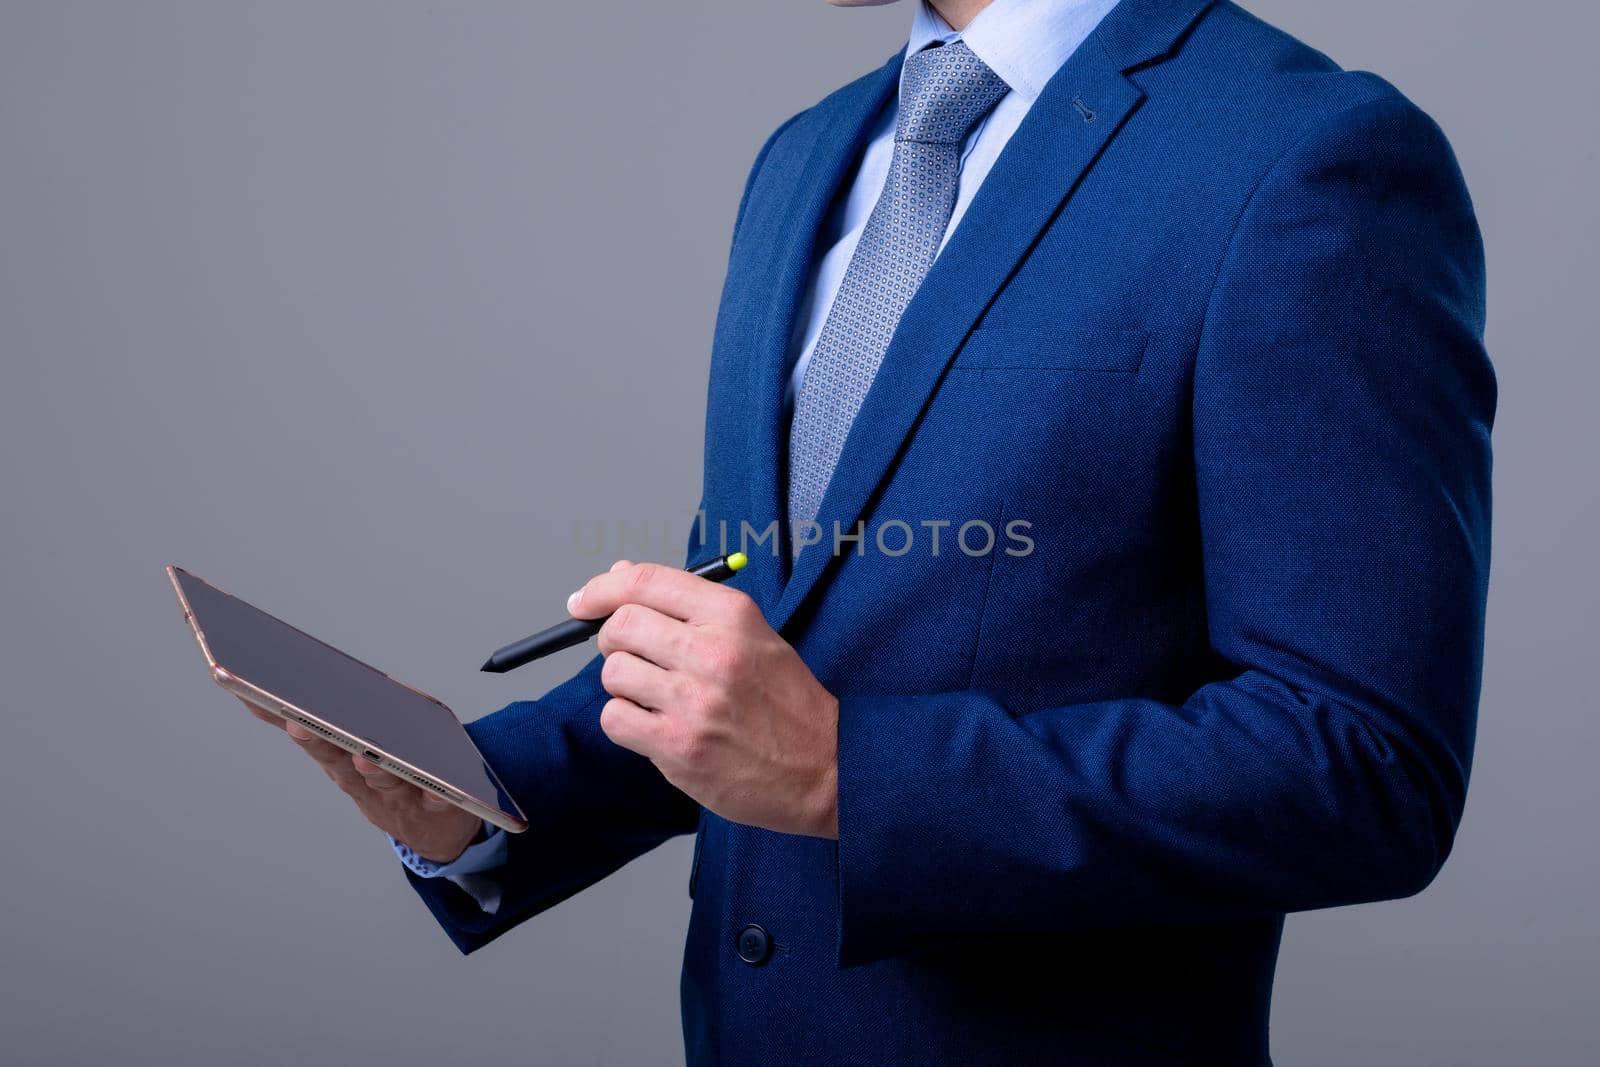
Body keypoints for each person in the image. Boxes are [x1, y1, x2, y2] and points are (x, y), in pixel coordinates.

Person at [244, 0, 1496, 1061]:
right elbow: (772, 625)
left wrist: (856, 772)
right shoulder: (804, 156)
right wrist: (482, 800)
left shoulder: (1303, 156)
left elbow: (1366, 762)